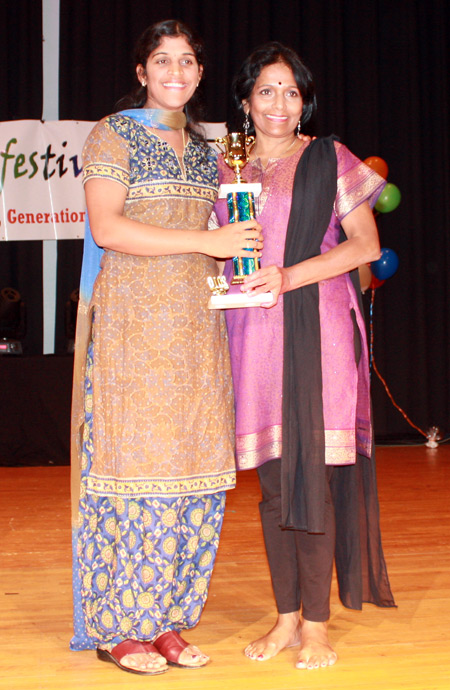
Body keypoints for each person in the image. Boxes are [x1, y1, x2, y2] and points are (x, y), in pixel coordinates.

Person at [69, 20, 263, 675]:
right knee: (138, 476)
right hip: (133, 329)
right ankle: (123, 627)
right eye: (162, 60)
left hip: (198, 330)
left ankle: (170, 622)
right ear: (141, 70)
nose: (175, 72)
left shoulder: (212, 151)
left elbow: (231, 227)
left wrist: (238, 252)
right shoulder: (112, 133)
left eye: (187, 62)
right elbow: (108, 226)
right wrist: (209, 242)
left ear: (201, 74)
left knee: (198, 481)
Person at [212, 41, 395, 671]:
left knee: (310, 481)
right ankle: (286, 616)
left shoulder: (329, 158)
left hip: (317, 329)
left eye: (291, 91)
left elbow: (365, 247)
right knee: (270, 485)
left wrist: (289, 276)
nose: (280, 102)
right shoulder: (222, 170)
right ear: (244, 101)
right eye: (266, 90)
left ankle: (317, 626)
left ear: (304, 100)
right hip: (250, 335)